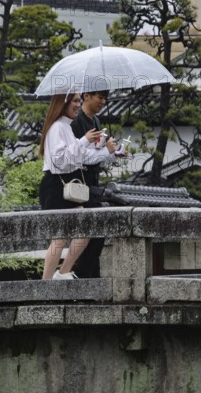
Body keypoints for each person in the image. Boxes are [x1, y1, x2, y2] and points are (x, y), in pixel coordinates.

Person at [38, 92, 119, 280]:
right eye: (74, 101)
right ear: (63, 103)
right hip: (55, 185)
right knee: (60, 238)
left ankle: (63, 272)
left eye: (78, 101)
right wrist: (84, 141)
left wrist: (108, 152)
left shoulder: (65, 127)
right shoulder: (58, 127)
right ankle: (46, 282)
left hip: (64, 184)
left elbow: (82, 158)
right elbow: (61, 161)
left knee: (87, 226)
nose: (77, 105)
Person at [70, 89, 115, 278]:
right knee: (92, 230)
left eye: (105, 98)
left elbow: (98, 154)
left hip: (93, 182)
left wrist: (114, 151)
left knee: (97, 232)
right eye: (100, 97)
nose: (103, 102)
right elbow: (81, 156)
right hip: (78, 183)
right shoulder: (77, 121)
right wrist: (107, 152)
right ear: (86, 96)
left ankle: (88, 276)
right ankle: (79, 274)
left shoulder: (95, 122)